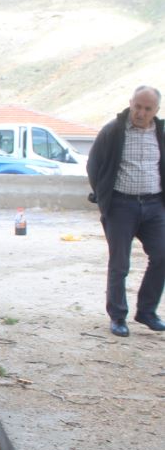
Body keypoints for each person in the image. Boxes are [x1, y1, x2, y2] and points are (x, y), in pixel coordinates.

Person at [86, 86, 165, 337]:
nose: (140, 113)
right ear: (130, 103)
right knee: (120, 263)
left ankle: (147, 312)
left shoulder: (161, 133)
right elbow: (93, 165)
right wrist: (104, 198)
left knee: (162, 255)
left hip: (154, 205)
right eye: (137, 106)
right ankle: (118, 316)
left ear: (156, 111)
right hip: (121, 206)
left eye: (147, 109)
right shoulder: (113, 131)